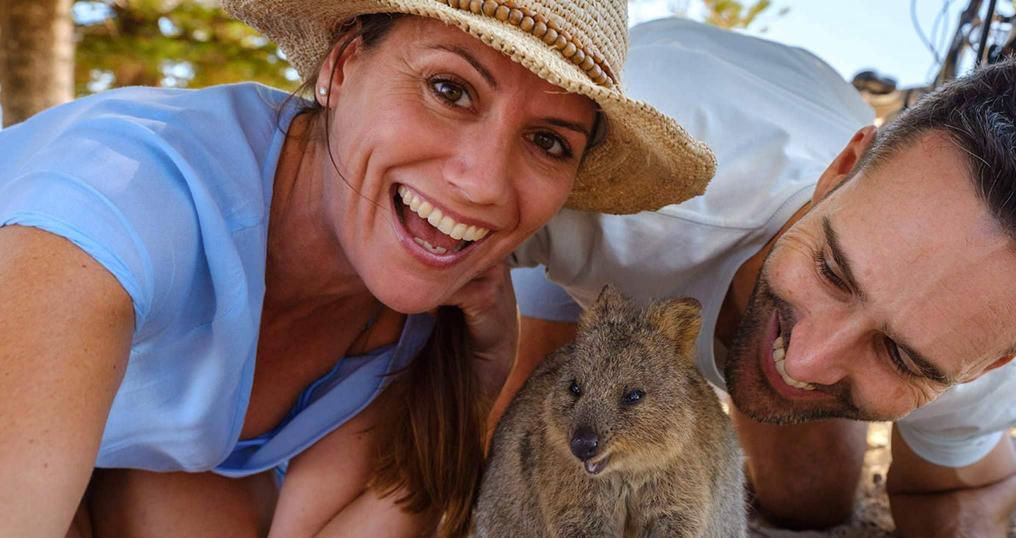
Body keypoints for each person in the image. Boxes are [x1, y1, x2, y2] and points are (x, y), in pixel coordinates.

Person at [0, 1, 715, 536]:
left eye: (548, 141)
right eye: (450, 89)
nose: (484, 183)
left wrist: (478, 378)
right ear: (341, 68)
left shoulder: (406, 297)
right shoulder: (116, 204)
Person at [505, 18, 1016, 536]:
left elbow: (965, 487)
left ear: (998, 359)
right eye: (833, 270)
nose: (808, 358)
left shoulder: (990, 334)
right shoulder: (609, 178)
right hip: (604, 197)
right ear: (841, 168)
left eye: (903, 354)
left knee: (811, 503)